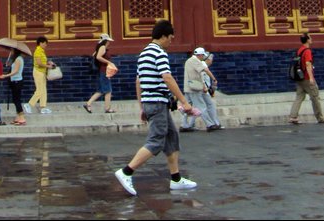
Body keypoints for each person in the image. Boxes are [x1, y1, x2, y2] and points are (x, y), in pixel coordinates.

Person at [114, 19, 197, 197]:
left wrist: (141, 105)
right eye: (170, 38)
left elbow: (138, 81)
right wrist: (184, 101)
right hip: (157, 102)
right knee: (156, 140)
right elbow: (167, 77)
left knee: (171, 138)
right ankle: (127, 171)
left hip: (151, 102)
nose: (171, 41)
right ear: (163, 36)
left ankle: (176, 179)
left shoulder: (144, 53)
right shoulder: (159, 53)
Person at [288, 33, 324, 125]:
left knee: (299, 97)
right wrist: (311, 78)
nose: (311, 39)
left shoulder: (299, 50)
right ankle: (320, 117)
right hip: (307, 78)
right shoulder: (307, 51)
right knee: (315, 97)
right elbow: (308, 64)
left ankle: (293, 116)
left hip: (299, 78)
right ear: (307, 40)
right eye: (310, 38)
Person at [180, 47, 222, 131]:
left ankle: (184, 125)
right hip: (195, 88)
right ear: (200, 55)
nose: (203, 57)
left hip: (188, 87)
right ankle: (210, 124)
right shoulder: (195, 61)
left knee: (187, 107)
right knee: (201, 106)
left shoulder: (188, 61)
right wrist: (213, 79)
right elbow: (205, 70)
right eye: (203, 55)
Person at [84, 33, 117, 114]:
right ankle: (107, 108)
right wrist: (109, 62)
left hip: (101, 71)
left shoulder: (99, 47)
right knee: (108, 90)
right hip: (104, 71)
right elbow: (98, 57)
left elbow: (95, 56)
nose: (109, 43)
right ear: (105, 41)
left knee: (101, 90)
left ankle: (88, 104)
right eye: (108, 41)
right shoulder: (102, 47)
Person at [25, 36, 55, 115]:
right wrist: (48, 66)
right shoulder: (38, 51)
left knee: (43, 90)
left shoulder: (42, 51)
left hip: (42, 72)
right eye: (45, 43)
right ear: (40, 43)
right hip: (38, 72)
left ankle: (43, 107)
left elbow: (43, 61)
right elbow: (39, 63)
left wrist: (49, 62)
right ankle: (29, 104)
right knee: (39, 90)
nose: (46, 45)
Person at [1, 48, 27, 125]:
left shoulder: (18, 59)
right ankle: (18, 117)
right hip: (14, 81)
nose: (11, 52)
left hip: (17, 81)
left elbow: (15, 71)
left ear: (15, 51)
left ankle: (22, 117)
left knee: (17, 100)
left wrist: (5, 76)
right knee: (15, 99)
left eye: (12, 50)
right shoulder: (15, 59)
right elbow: (9, 65)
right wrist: (9, 60)